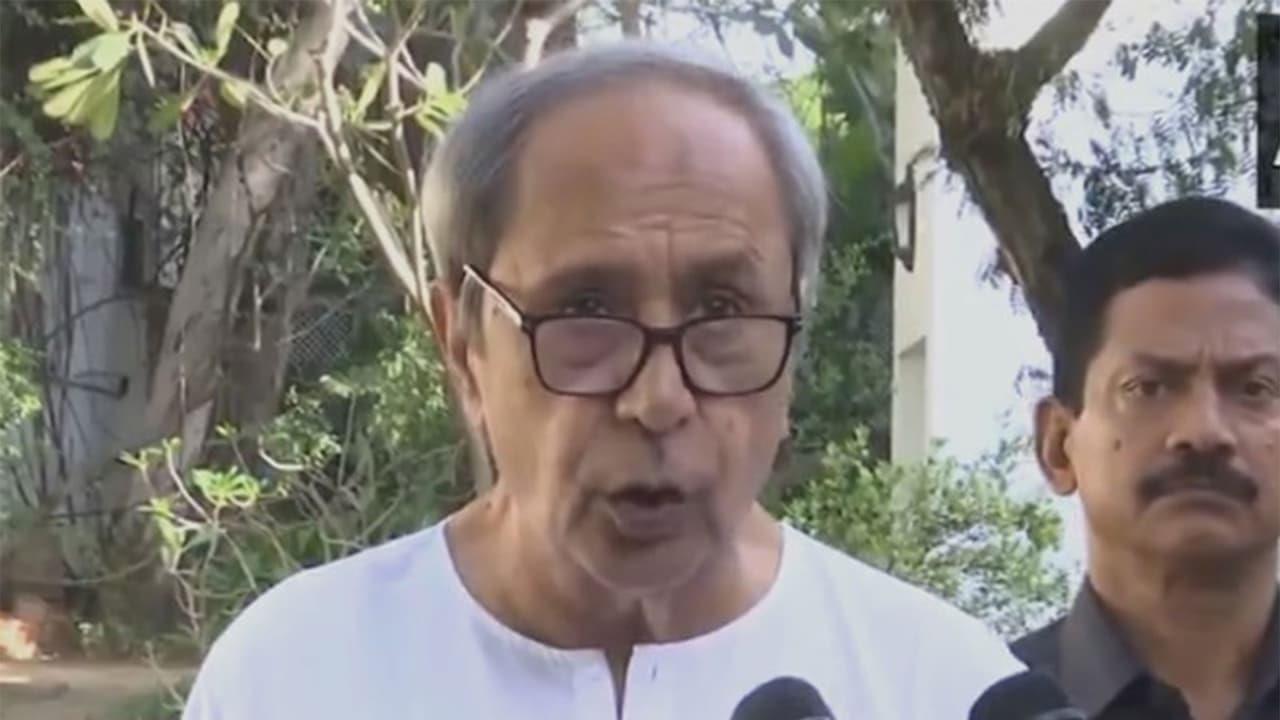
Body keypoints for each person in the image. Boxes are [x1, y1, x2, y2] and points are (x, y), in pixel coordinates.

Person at [182, 41, 1022, 719]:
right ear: (463, 345)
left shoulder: (942, 686)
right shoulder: (292, 676)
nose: (659, 400)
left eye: (723, 310)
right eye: (586, 310)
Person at [1013, 197, 1280, 719]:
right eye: (1148, 388)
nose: (1204, 432)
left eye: (1255, 388)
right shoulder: (961, 699)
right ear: (1058, 445)